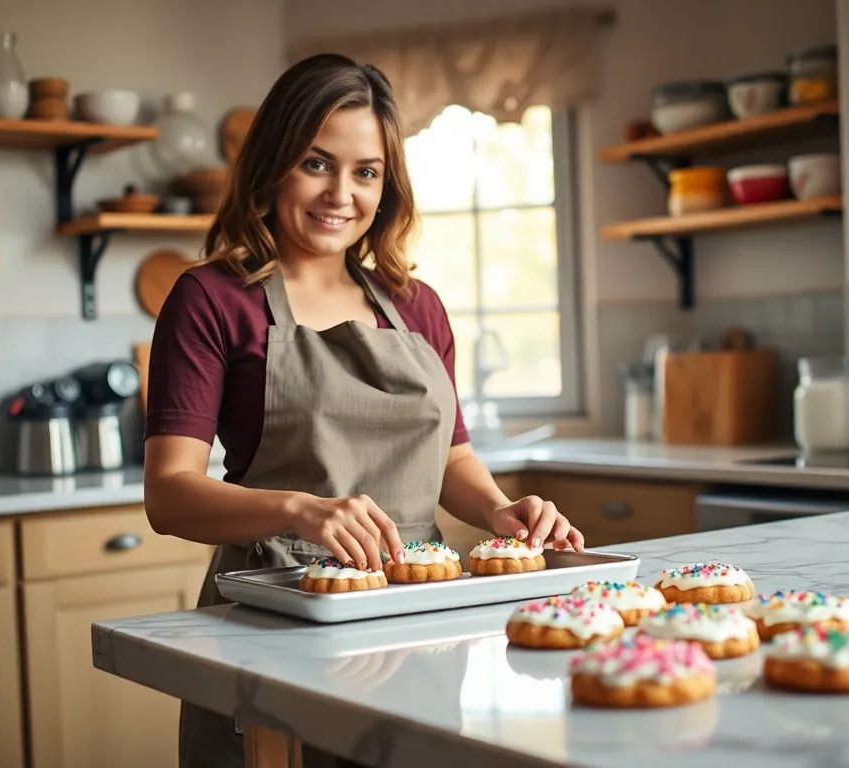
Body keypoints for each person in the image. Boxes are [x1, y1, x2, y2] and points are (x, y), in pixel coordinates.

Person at [141, 53, 586, 768]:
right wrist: (301, 510)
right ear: (274, 163)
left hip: (419, 613)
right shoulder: (211, 299)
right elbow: (169, 495)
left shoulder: (416, 305)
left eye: (366, 171)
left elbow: (448, 459)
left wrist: (501, 512)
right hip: (275, 607)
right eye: (316, 164)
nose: (340, 194)